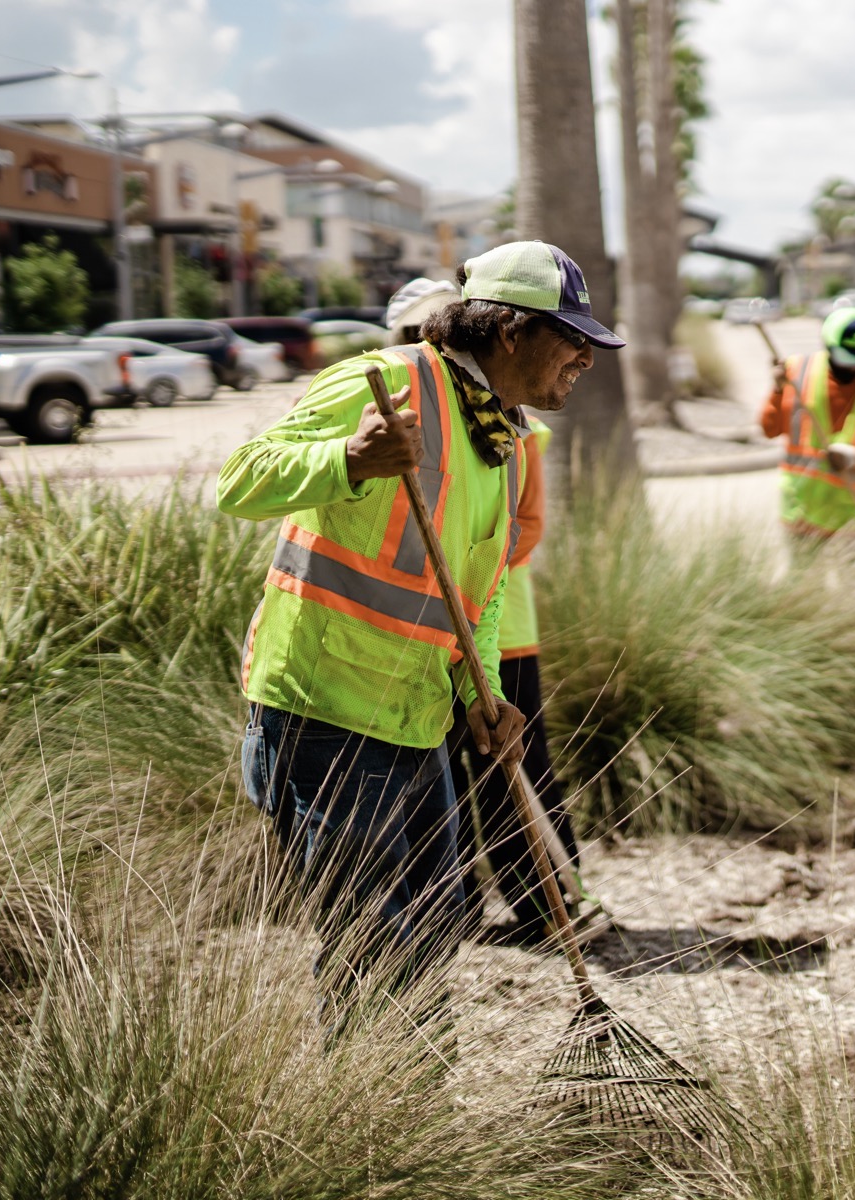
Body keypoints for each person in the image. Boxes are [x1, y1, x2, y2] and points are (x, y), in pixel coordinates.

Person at [219, 240, 622, 1017]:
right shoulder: (388, 386)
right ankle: (366, 1117)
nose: (585, 357)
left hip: (416, 715)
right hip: (325, 711)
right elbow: (240, 479)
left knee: (439, 920)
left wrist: (486, 694)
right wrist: (349, 457)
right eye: (572, 338)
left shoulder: (501, 437)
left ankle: (409, 1099)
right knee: (374, 940)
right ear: (509, 331)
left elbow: (484, 589)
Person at [444, 415, 580, 945]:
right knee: (438, 775)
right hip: (423, 636)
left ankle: (547, 903)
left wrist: (459, 575)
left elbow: (528, 526)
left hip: (503, 638)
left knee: (513, 767)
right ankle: (451, 910)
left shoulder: (515, 426)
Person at [759, 306, 855, 546]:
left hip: (852, 517)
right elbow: (769, 429)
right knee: (803, 585)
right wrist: (776, 390)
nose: (851, 367)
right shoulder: (796, 373)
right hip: (802, 513)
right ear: (828, 346)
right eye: (845, 358)